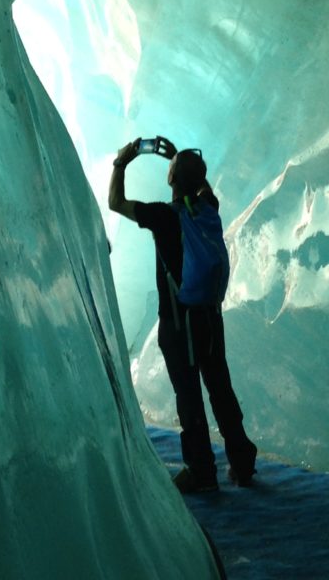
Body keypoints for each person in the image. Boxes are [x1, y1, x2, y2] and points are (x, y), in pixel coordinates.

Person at [109, 137, 257, 493]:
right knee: (220, 388)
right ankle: (242, 461)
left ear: (171, 177)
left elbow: (115, 203)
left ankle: (201, 470)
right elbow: (199, 185)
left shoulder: (163, 217)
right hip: (210, 318)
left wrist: (122, 162)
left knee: (189, 395)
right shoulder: (208, 208)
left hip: (181, 324)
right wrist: (180, 161)